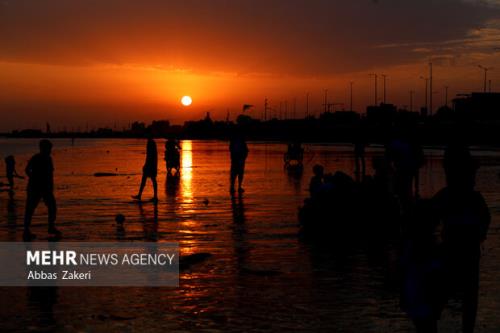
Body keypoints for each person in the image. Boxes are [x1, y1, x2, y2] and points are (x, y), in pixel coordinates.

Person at [432, 143, 490, 333]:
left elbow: (427, 220)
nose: (474, 179)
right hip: (466, 255)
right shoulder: (472, 200)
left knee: (446, 299)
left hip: (455, 254)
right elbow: (484, 226)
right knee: (468, 300)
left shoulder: (447, 197)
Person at [23, 140, 60, 241]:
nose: (50, 150)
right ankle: (26, 230)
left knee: (52, 207)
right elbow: (27, 170)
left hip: (46, 188)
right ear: (43, 148)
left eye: (50, 149)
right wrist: (34, 179)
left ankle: (51, 227)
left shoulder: (49, 158)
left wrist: (51, 187)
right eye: (48, 148)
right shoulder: (36, 158)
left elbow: (50, 175)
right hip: (35, 188)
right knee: (30, 208)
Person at [132, 135, 158, 202]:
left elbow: (149, 155)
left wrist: (146, 164)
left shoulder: (150, 143)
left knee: (150, 179)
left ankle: (153, 196)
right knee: (149, 179)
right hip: (152, 164)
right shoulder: (152, 142)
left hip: (150, 164)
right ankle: (141, 195)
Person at [229, 130, 249, 194]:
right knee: (235, 174)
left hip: (239, 160)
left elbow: (246, 151)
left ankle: (237, 187)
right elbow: (231, 150)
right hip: (236, 160)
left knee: (237, 174)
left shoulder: (240, 142)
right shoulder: (234, 141)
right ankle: (233, 187)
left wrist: (243, 158)